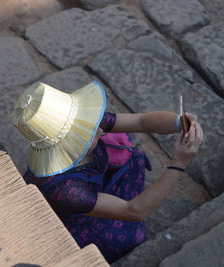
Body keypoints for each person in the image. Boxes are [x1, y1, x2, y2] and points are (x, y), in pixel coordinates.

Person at [11, 81, 203, 263]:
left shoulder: (87, 124)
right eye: (94, 132)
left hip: (92, 188)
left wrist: (179, 122)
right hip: (70, 218)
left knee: (134, 158)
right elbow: (133, 211)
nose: (102, 131)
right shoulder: (67, 191)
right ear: (74, 145)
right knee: (131, 235)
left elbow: (141, 121)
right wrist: (179, 162)